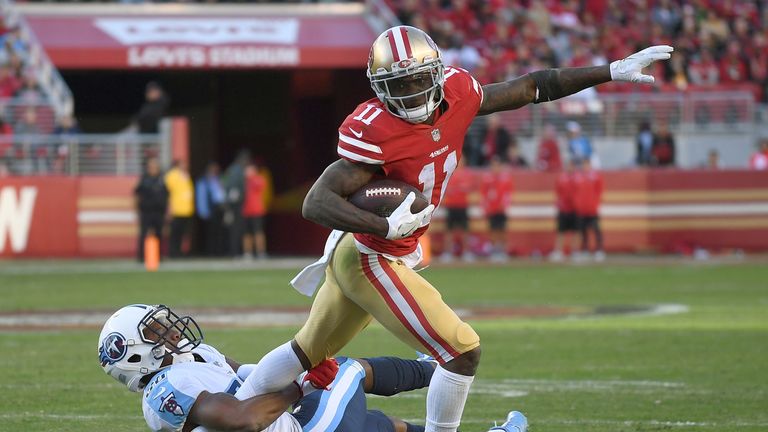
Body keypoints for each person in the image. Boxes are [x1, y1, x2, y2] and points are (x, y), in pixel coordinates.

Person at [242, 25, 670, 432]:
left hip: (364, 254)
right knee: (462, 351)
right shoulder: (374, 129)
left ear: (436, 75)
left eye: (415, 81)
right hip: (370, 256)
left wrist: (610, 71)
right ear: (378, 89)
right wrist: (382, 225)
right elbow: (316, 202)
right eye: (397, 85)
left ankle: (229, 409)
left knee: (307, 350)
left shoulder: (460, 92)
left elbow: (533, 87)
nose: (409, 93)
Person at [97, 304, 528, 432]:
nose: (169, 331)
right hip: (300, 430)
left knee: (379, 426)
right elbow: (243, 419)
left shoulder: (194, 357)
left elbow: (249, 375)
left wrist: (295, 379)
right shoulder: (163, 394)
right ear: (134, 353)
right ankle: (437, 369)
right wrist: (300, 388)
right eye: (154, 330)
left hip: (297, 422)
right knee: (345, 369)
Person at [440, 157, 474, 262]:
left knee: (465, 231)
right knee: (449, 231)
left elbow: (468, 188)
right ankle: (447, 252)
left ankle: (467, 252)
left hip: (462, 206)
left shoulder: (467, 173)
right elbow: (447, 189)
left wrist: (457, 189)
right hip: (451, 205)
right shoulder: (450, 173)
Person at [134, 157, 168, 262]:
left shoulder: (162, 179)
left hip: (159, 211)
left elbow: (167, 195)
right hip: (146, 211)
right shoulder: (144, 179)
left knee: (159, 233)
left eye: (155, 165)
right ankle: (142, 257)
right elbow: (137, 195)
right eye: (152, 165)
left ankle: (158, 256)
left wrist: (168, 210)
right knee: (144, 233)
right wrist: (137, 209)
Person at [480, 156, 513, 262]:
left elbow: (508, 193)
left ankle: (502, 251)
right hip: (492, 208)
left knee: (502, 230)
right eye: (493, 165)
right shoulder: (487, 178)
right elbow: (484, 193)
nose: (495, 168)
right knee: (493, 230)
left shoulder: (505, 178)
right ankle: (494, 251)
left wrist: (506, 204)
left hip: (501, 208)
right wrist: (485, 206)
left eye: (497, 165)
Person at [573, 158, 605, 261]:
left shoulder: (595, 176)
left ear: (590, 165)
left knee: (596, 230)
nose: (585, 166)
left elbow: (599, 191)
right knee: (583, 231)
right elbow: (575, 192)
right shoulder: (578, 176)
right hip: (582, 210)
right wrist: (578, 204)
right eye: (583, 164)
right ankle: (585, 249)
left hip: (592, 209)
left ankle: (599, 250)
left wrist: (595, 204)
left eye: (586, 164)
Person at [548, 160, 578, 262]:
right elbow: (558, 192)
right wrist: (559, 204)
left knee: (575, 231)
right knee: (560, 231)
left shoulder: (578, 178)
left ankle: (574, 251)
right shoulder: (561, 178)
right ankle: (558, 251)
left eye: (571, 166)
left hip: (575, 208)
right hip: (563, 208)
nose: (570, 168)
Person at [164, 160, 194, 258]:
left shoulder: (186, 175)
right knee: (174, 233)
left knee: (182, 233)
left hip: (186, 210)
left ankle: (179, 252)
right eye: (183, 164)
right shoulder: (172, 176)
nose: (185, 165)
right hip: (176, 210)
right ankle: (173, 253)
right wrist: (169, 209)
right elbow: (166, 193)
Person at [196, 162, 227, 256]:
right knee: (210, 232)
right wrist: (203, 211)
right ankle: (210, 251)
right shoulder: (204, 181)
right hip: (210, 209)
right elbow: (201, 197)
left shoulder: (219, 179)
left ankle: (219, 250)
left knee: (220, 231)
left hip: (220, 208)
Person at [242, 161, 268, 259]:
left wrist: (251, 177)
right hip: (245, 211)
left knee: (258, 232)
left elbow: (260, 186)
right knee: (246, 233)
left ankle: (261, 252)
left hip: (257, 210)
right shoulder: (243, 181)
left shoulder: (259, 179)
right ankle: (247, 253)